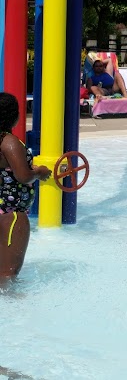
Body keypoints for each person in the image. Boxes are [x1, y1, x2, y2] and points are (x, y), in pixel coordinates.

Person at [0, 93, 51, 283]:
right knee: (8, 274)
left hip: (1, 208)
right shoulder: (9, 142)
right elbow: (23, 176)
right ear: (14, 116)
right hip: (11, 214)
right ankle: (15, 310)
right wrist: (39, 172)